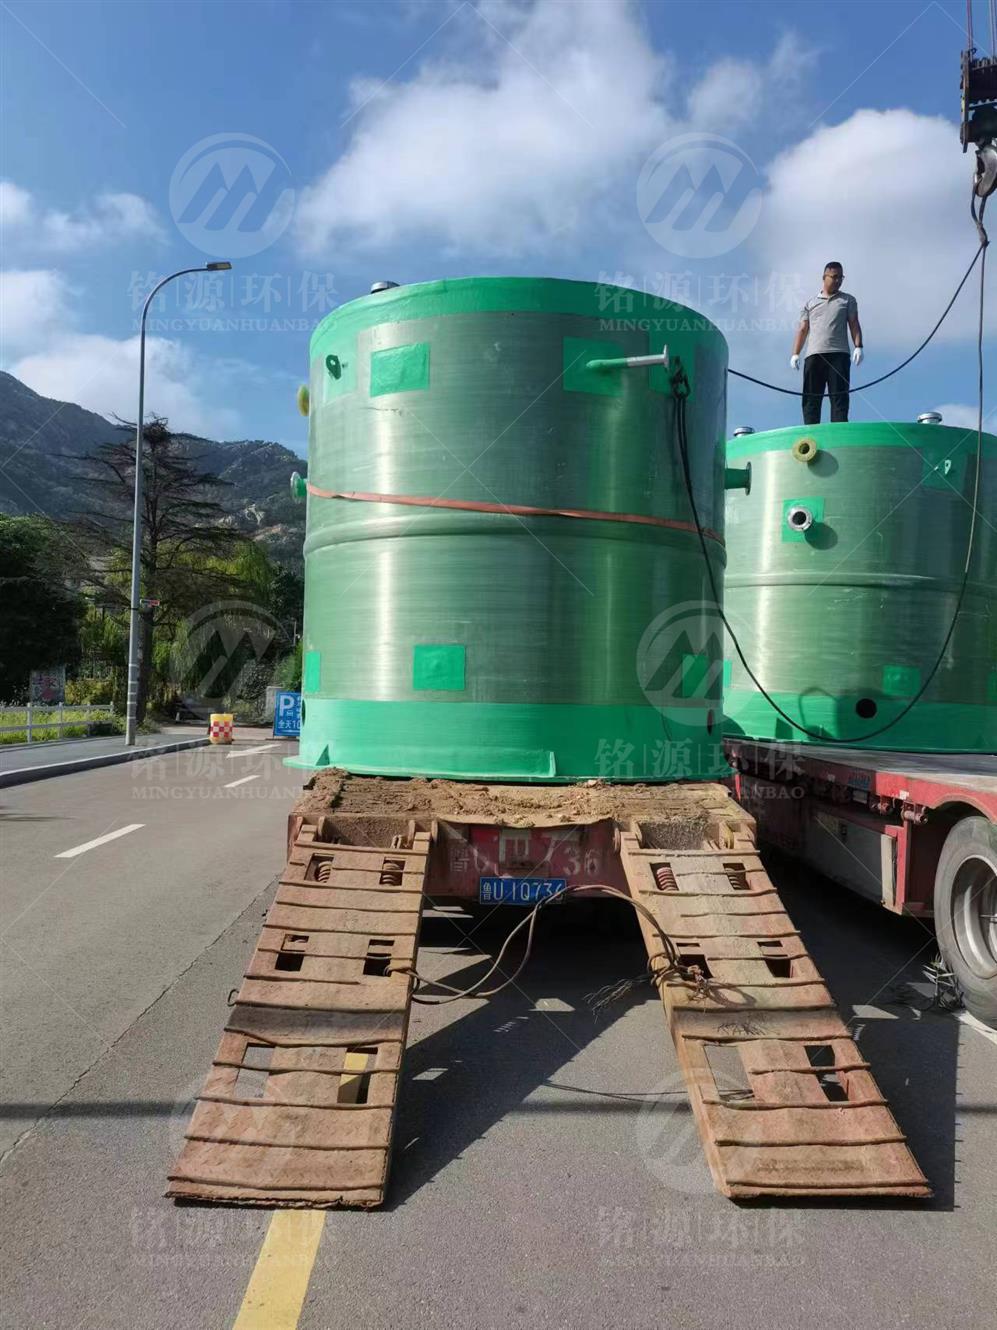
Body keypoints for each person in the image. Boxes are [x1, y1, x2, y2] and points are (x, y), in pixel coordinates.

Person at [790, 262, 863, 424]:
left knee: (839, 397)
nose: (838, 281)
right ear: (824, 277)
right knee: (811, 398)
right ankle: (811, 431)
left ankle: (839, 432)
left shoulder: (848, 300)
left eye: (841, 277)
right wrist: (795, 353)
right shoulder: (810, 303)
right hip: (814, 355)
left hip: (839, 353)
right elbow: (803, 329)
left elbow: (854, 323)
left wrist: (858, 346)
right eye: (834, 277)